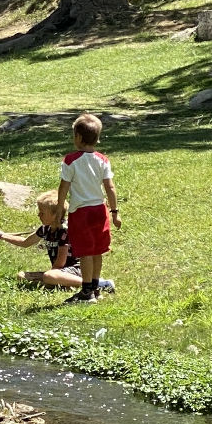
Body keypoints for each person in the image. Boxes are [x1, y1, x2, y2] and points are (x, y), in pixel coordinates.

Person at [58, 112, 119, 301]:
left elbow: (63, 187)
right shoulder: (103, 160)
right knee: (97, 250)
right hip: (100, 210)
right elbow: (109, 186)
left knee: (85, 252)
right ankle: (95, 287)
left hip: (80, 212)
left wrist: (60, 207)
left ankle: (86, 292)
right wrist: (115, 212)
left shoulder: (70, 160)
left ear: (78, 137)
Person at [0, 191, 84, 289]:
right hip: (58, 272)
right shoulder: (45, 228)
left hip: (75, 270)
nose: (39, 215)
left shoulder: (64, 231)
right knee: (22, 276)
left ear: (55, 215)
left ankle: (89, 284)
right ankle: (61, 284)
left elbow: (60, 262)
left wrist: (51, 275)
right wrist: (3, 236)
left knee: (48, 276)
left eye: (42, 213)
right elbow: (25, 242)